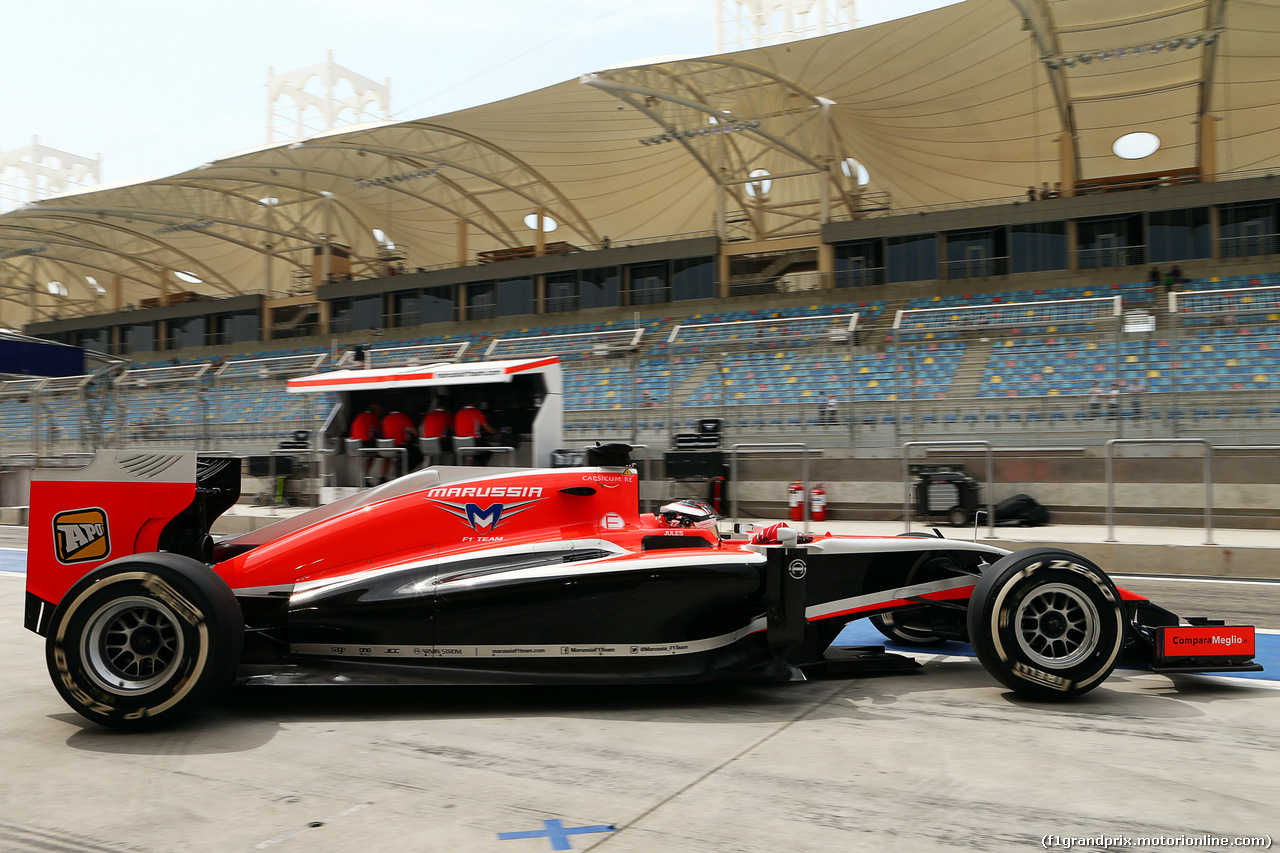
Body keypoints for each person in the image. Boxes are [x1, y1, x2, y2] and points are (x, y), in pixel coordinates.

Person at [349, 403, 383, 483]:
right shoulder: (374, 417)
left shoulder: (359, 415)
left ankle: (363, 477)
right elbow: (378, 433)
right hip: (364, 444)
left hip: (353, 445)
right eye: (379, 411)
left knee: (369, 454)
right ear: (375, 411)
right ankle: (366, 476)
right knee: (377, 454)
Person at [380, 409, 419, 476]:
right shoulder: (402, 417)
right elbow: (414, 432)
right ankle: (403, 471)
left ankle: (384, 477)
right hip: (400, 446)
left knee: (390, 457)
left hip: (388, 446)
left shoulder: (386, 418)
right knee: (418, 454)